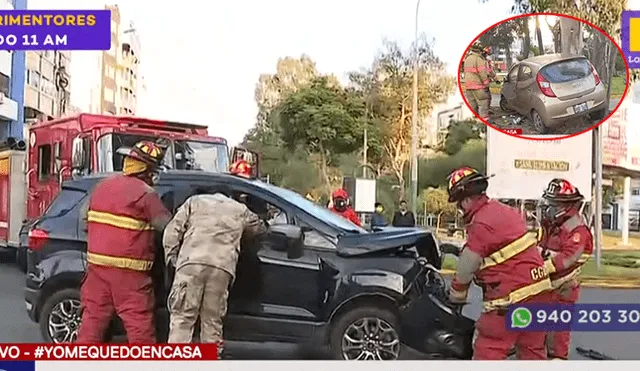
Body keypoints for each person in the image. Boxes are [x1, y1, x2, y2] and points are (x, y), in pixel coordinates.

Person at [445, 167, 552, 360]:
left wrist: (457, 294)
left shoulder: (480, 223)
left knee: (489, 347)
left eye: (459, 204)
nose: (460, 209)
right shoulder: (503, 211)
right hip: (539, 293)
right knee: (532, 351)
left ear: (466, 199)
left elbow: (468, 265)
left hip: (510, 301)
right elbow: (499, 249)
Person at [77, 141, 172, 343]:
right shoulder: (147, 194)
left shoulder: (101, 187)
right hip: (130, 276)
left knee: (92, 324)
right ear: (149, 169)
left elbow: (84, 219)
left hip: (97, 271)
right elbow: (167, 227)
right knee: (140, 328)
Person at [163, 189, 267, 356]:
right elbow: (259, 229)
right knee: (212, 321)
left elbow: (172, 232)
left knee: (182, 319)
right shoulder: (240, 209)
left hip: (191, 263)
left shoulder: (194, 202)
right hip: (221, 267)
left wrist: (172, 258)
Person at [538, 178, 593, 360]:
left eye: (553, 204)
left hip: (563, 287)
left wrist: (538, 270)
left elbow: (567, 259)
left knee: (557, 338)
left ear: (565, 206)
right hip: (546, 285)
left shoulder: (577, 230)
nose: (549, 208)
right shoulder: (553, 226)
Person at [463, 42, 493, 120]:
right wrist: (486, 84)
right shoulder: (479, 59)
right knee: (484, 102)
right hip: (478, 86)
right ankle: (484, 120)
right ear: (479, 51)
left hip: (468, 86)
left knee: (473, 104)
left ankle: (474, 119)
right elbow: (482, 73)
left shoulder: (467, 58)